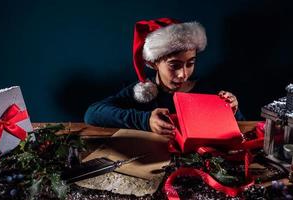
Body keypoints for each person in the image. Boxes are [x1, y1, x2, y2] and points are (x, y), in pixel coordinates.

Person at [84, 18, 244, 138]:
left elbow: (241, 127)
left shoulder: (207, 90)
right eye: (174, 65)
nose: (183, 74)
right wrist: (145, 121)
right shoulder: (141, 91)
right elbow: (92, 114)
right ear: (153, 63)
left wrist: (231, 111)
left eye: (190, 63)